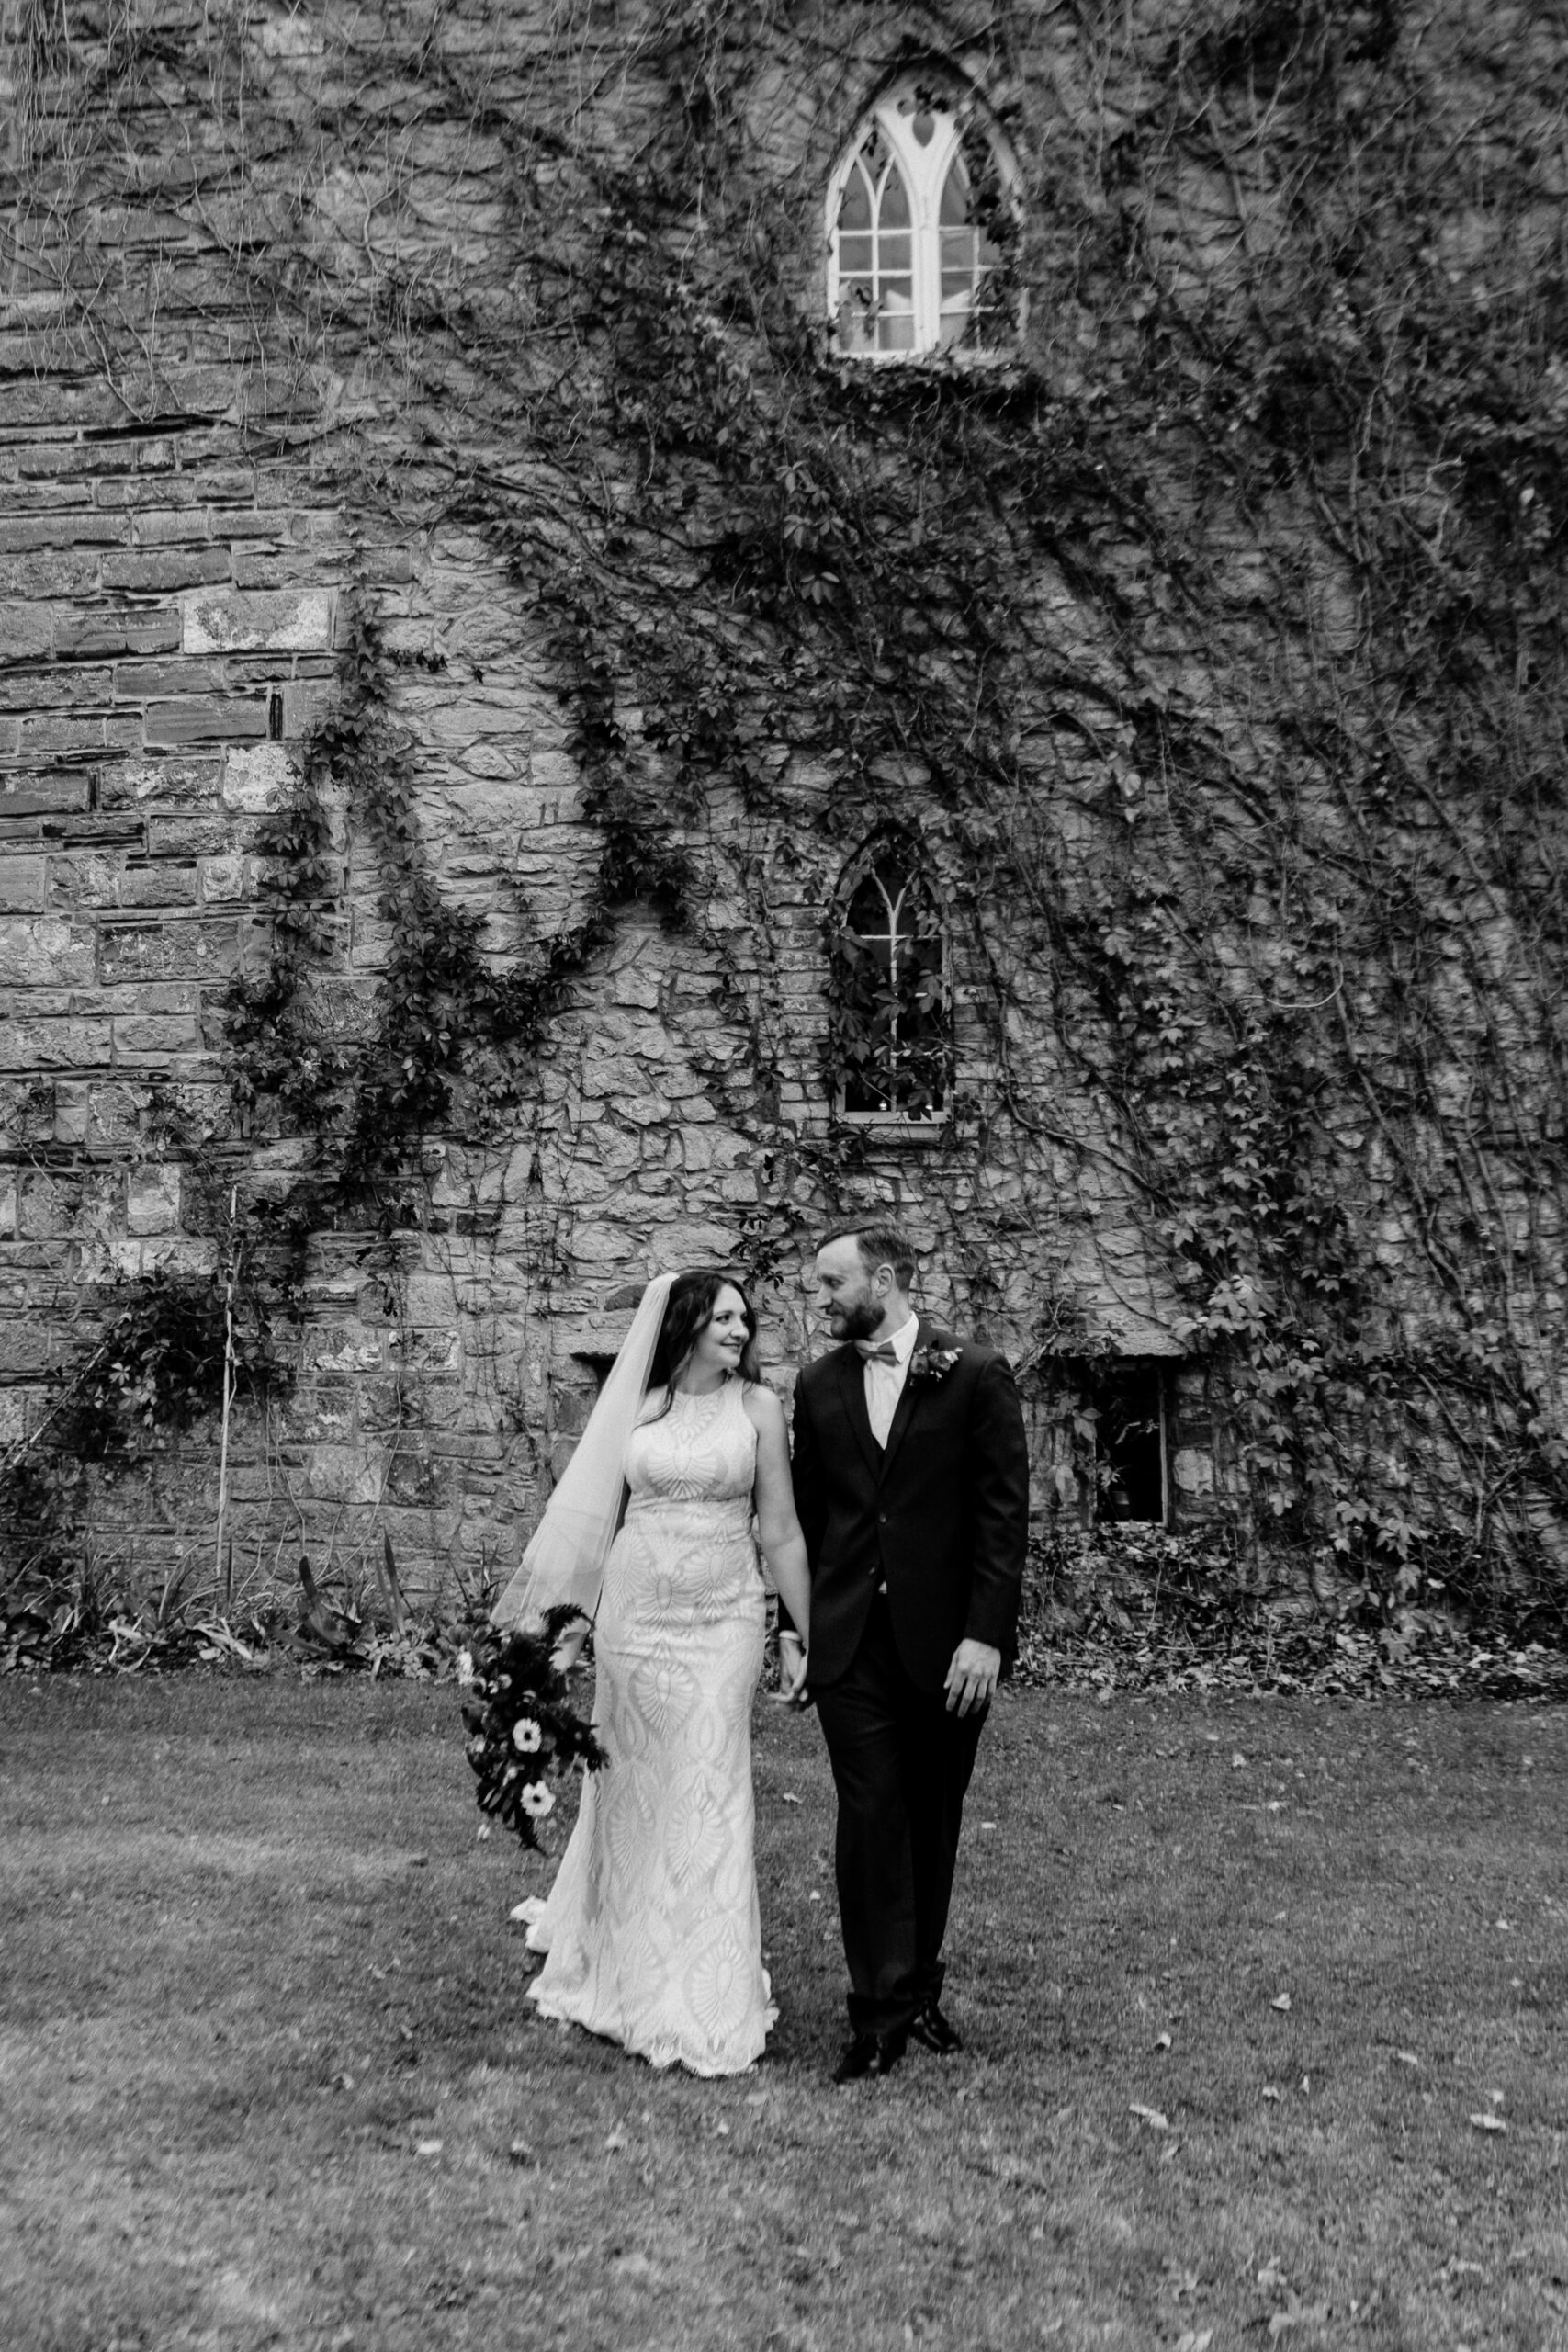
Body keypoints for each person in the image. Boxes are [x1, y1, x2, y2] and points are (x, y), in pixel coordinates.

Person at [493, 1269, 812, 2076]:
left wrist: (800, 1628)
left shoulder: (758, 1410)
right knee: (633, 1784)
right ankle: (622, 1955)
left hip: (723, 1617)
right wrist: (563, 1640)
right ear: (687, 1326)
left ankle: (707, 1990)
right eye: (723, 1318)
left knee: (709, 1782)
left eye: (745, 1318)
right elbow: (597, 1524)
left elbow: (777, 1527)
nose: (739, 1331)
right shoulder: (637, 1404)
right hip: (637, 1619)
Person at [783, 1219, 1029, 2082]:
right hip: (849, 1646)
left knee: (932, 1815)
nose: (819, 1298)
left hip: (948, 1649)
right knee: (870, 1815)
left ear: (883, 1281)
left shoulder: (975, 1374)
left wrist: (984, 1637)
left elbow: (1003, 1518)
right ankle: (876, 2012)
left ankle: (920, 1989)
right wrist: (794, 1629)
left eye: (831, 1282)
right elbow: (808, 1524)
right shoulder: (816, 1387)